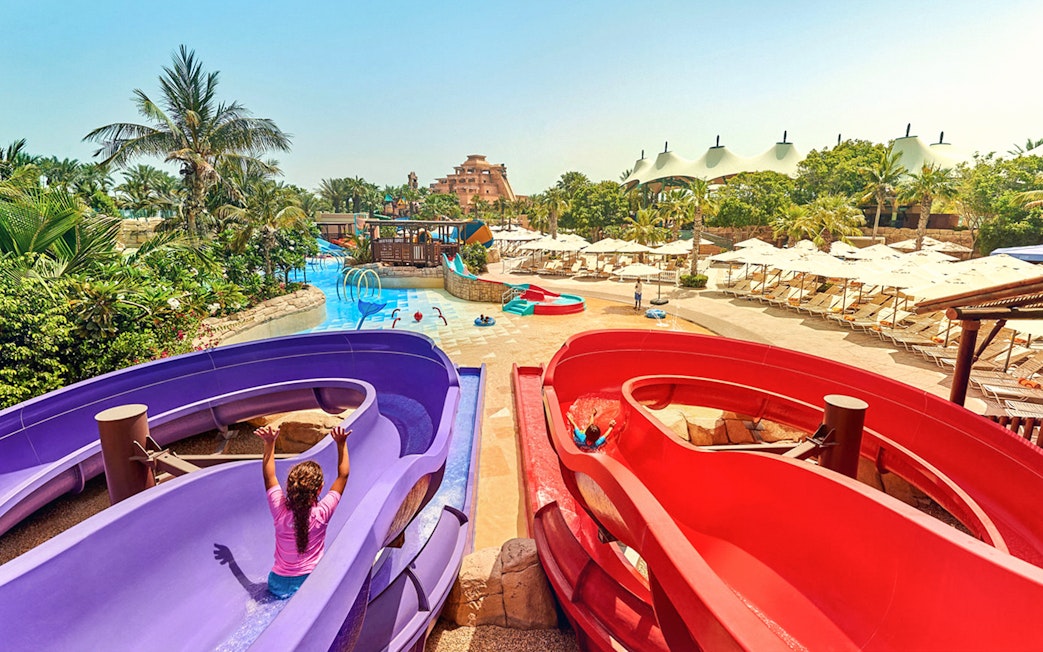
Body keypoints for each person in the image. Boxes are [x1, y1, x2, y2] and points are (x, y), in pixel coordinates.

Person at [255, 424, 352, 598]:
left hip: (277, 582)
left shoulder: (280, 510)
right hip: (309, 582)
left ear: (289, 488)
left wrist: (269, 443)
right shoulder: (322, 512)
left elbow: (269, 476)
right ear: (320, 489)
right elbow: (343, 475)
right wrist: (341, 443)